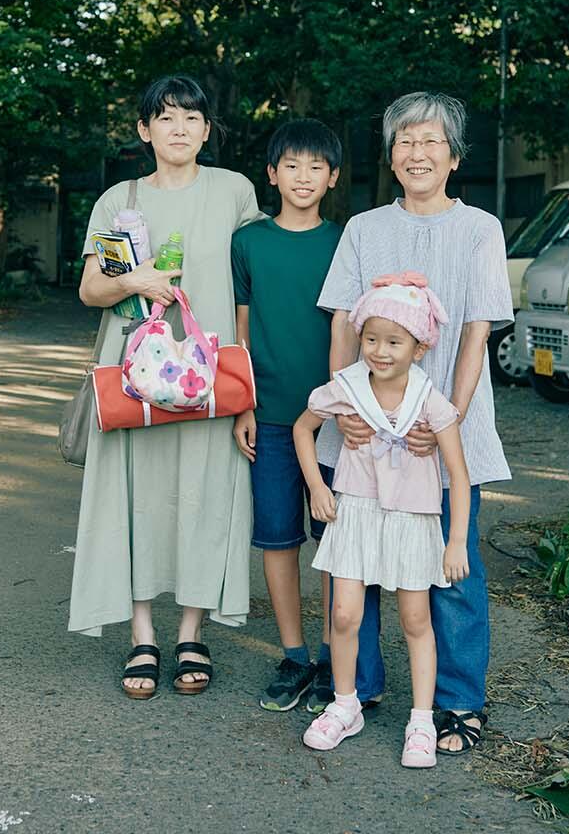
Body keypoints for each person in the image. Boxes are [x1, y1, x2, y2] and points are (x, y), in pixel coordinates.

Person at [315, 91, 513, 755]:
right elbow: (343, 322)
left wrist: (445, 417)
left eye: (431, 141)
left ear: (454, 156)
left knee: (452, 567)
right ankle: (357, 689)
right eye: (405, 141)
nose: (417, 152)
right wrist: (342, 408)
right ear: (392, 156)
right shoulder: (364, 229)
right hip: (364, 426)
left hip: (445, 426)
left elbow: (476, 331)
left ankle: (458, 701)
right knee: (357, 560)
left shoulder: (481, 228)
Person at [69, 75, 263, 701]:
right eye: (166, 117)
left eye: (191, 118)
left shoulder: (234, 191)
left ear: (208, 130)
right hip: (135, 371)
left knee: (204, 491)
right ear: (144, 129)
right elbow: (90, 290)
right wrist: (138, 281)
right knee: (137, 495)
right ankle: (143, 635)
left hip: (208, 374)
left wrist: (252, 390)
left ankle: (191, 632)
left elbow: (253, 284)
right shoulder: (117, 200)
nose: (179, 128)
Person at [292, 273, 470, 768]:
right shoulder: (347, 389)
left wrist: (456, 541)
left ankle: (420, 720)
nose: (380, 351)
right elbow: (302, 430)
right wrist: (318, 487)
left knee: (416, 619)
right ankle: (346, 705)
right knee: (344, 613)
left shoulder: (429, 400)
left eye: (394, 341)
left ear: (419, 347)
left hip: (413, 518)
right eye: (370, 339)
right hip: (356, 511)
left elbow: (457, 470)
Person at [231, 118, 344, 711]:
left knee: (332, 539)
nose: (304, 177)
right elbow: (243, 329)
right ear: (271, 174)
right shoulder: (249, 242)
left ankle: (333, 657)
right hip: (269, 416)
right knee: (279, 538)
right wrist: (243, 405)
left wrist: (342, 405)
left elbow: (351, 329)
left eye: (316, 167)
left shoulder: (344, 241)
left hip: (332, 420)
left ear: (332, 177)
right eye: (291, 166)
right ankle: (294, 655)